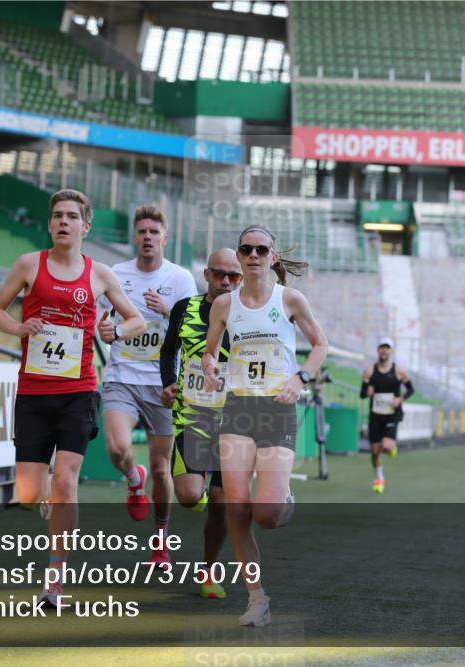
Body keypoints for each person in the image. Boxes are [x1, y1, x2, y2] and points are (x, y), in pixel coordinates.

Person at [0, 189, 144, 606]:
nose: (63, 222)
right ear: (50, 223)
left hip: (78, 390)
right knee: (26, 493)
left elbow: (136, 318)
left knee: (66, 482)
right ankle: (46, 493)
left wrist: (115, 332)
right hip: (34, 391)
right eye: (57, 215)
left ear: (85, 226)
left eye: (72, 216)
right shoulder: (28, 265)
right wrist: (19, 328)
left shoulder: (100, 274)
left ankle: (54, 580)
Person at [202, 225, 328, 627]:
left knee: (268, 514)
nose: (253, 255)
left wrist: (300, 378)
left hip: (277, 408)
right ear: (238, 256)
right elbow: (209, 353)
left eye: (261, 249)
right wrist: (209, 370)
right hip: (238, 409)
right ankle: (257, 598)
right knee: (236, 506)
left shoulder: (289, 299)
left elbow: (320, 344)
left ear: (273, 256)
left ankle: (282, 490)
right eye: (246, 249)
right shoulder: (224, 305)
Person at [99, 204, 198, 569]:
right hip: (122, 377)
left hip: (162, 384)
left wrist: (169, 311)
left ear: (165, 238)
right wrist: (106, 330)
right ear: (134, 237)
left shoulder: (181, 279)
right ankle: (131, 477)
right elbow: (103, 323)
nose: (147, 237)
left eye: (154, 232)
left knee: (161, 469)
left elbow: (195, 330)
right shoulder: (114, 274)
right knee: (117, 447)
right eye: (142, 231)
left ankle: (160, 540)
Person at [159, 249, 243, 600]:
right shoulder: (185, 308)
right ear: (206, 274)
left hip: (235, 420)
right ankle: (197, 485)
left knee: (221, 503)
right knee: (191, 496)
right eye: (219, 274)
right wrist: (168, 381)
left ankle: (208, 570)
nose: (225, 281)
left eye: (233, 276)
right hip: (192, 415)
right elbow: (168, 350)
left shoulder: (248, 315)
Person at [361, 337, 414, 494]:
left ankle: (391, 448)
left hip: (392, 415)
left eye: (387, 347)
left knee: (387, 445)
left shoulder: (400, 371)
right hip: (376, 416)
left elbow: (411, 390)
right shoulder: (369, 370)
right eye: (381, 347)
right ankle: (379, 478)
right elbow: (362, 393)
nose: (384, 350)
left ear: (391, 351)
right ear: (378, 350)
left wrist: (400, 399)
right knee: (375, 451)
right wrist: (367, 392)